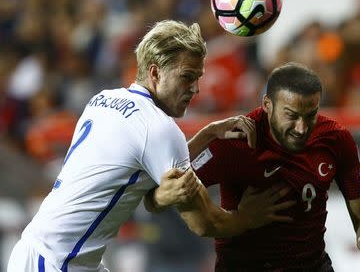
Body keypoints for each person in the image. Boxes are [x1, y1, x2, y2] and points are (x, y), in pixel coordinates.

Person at [7, 20, 295, 272]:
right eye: (187, 77)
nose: (195, 89)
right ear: (155, 72)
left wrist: (207, 135)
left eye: (197, 78)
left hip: (49, 252)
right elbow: (204, 223)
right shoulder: (157, 128)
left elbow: (141, 167)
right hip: (57, 262)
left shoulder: (103, 100)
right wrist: (247, 217)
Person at [193, 63, 360, 271]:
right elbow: (174, 186)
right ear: (267, 104)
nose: (301, 128)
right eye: (291, 115)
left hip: (312, 266)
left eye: (311, 115)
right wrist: (239, 219)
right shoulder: (235, 141)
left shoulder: (335, 139)